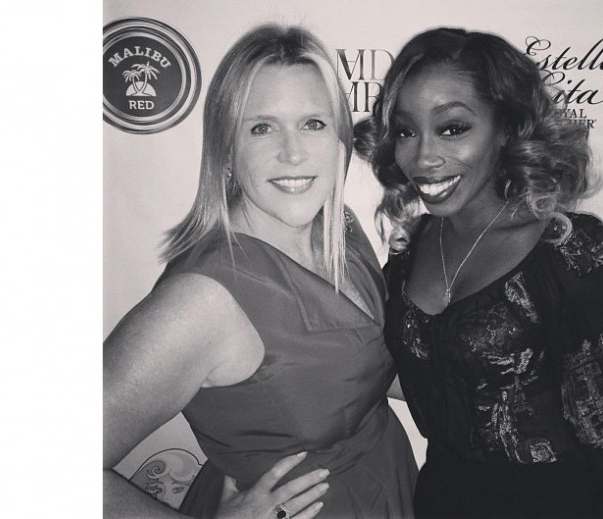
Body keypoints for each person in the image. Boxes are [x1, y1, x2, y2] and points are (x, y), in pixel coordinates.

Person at [354, 27, 603, 518]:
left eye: (452, 128)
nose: (422, 157)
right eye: (406, 131)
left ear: (506, 127)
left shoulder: (570, 253)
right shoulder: (409, 252)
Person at [104, 24, 417, 519]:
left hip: (389, 480)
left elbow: (363, 370)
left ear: (340, 138)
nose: (293, 153)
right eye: (262, 128)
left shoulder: (340, 228)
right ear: (227, 150)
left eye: (313, 123)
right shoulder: (202, 300)